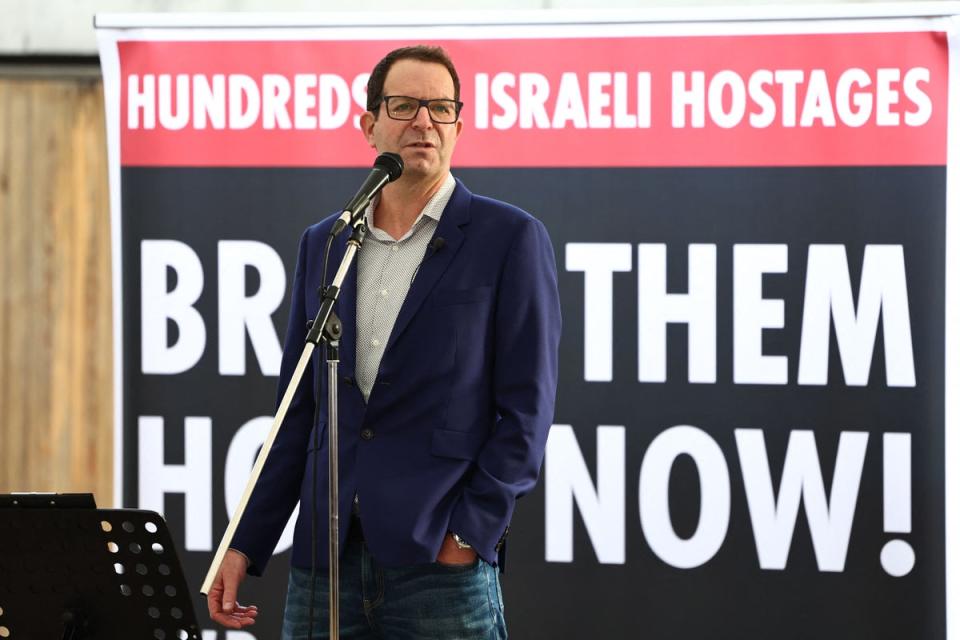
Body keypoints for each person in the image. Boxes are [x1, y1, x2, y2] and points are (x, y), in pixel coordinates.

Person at [207, 44, 561, 639]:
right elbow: (297, 412)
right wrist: (244, 540)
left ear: (458, 124)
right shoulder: (327, 242)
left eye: (441, 108)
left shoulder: (510, 239)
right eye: (404, 106)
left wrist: (468, 535)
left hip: (438, 566)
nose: (424, 121)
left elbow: (527, 413)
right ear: (369, 125)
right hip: (325, 564)